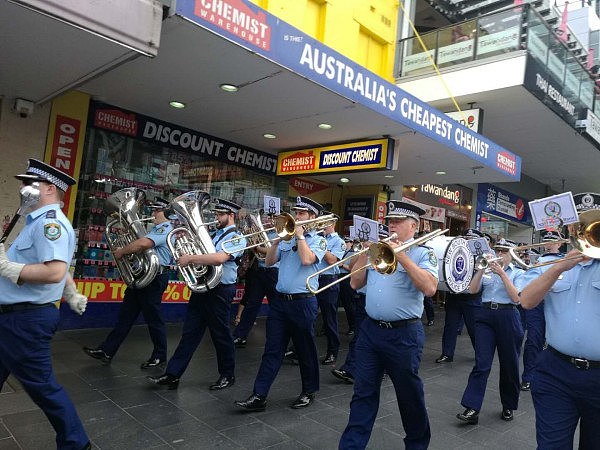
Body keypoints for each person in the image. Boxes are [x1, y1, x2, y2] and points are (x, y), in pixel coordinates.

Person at [0, 159, 90, 449]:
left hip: (25, 320)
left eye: (29, 183)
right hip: (13, 317)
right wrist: (71, 292)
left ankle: (76, 443)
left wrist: (6, 267)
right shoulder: (34, 222)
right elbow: (57, 271)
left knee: (42, 388)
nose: (23, 188)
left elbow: (53, 271)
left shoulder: (51, 224)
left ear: (50, 188)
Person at [339, 201, 439, 449]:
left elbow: (429, 288)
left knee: (409, 396)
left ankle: (417, 444)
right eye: (389, 221)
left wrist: (402, 255)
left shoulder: (423, 253)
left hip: (403, 335)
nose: (391, 225)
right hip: (371, 332)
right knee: (363, 392)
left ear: (413, 226)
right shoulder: (377, 249)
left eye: (397, 222)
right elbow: (354, 284)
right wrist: (364, 252)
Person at [519, 192, 600, 448]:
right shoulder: (552, 265)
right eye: (580, 225)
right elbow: (526, 301)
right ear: (571, 229)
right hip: (555, 371)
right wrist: (557, 268)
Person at [235, 196, 327, 411]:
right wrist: (276, 240)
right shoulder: (286, 239)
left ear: (312, 217)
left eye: (302, 213)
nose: (297, 216)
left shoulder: (318, 240)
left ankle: (309, 390)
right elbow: (268, 263)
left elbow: (306, 260)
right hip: (280, 303)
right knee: (272, 349)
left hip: (303, 302)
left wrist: (300, 236)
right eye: (296, 213)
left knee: (305, 350)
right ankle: (259, 395)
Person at [148, 198, 246, 390]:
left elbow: (219, 259)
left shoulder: (237, 237)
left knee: (221, 334)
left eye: (220, 214)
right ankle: (173, 373)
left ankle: (228, 374)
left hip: (220, 290)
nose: (216, 217)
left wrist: (191, 257)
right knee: (189, 333)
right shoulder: (214, 234)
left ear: (231, 216)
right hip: (203, 287)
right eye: (216, 214)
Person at [83, 197, 173, 368]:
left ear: (164, 213)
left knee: (154, 319)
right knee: (125, 317)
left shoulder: (165, 228)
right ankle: (107, 350)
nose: (153, 213)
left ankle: (160, 355)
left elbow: (144, 244)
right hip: (144, 276)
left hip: (154, 278)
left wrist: (122, 251)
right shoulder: (156, 228)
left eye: (156, 211)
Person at [457, 238, 524, 425]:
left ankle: (508, 405)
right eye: (498, 250)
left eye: (504, 251)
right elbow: (472, 290)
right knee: (481, 363)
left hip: (508, 316)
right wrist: (480, 269)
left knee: (509, 364)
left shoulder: (518, 273)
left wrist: (502, 274)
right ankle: (472, 407)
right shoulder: (487, 270)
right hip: (485, 315)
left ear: (513, 254)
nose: (500, 254)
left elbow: (516, 298)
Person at [331, 224, 389, 385]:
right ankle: (350, 369)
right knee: (359, 336)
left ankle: (382, 369)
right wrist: (364, 250)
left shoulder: (388, 256)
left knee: (381, 338)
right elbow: (351, 268)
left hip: (382, 302)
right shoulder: (369, 252)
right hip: (364, 300)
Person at [516, 230, 563, 392]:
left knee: (556, 341)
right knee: (533, 340)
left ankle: (555, 376)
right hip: (538, 304)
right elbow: (524, 287)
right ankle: (528, 376)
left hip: (558, 304)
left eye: (552, 241)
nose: (549, 245)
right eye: (546, 241)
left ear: (560, 243)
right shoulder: (537, 262)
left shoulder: (567, 260)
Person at [435, 228, 484, 364]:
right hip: (455, 296)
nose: (468, 241)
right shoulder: (456, 252)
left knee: (474, 329)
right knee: (450, 327)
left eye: (471, 239)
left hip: (471, 298)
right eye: (466, 238)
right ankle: (447, 353)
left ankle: (481, 354)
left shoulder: (481, 257)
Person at [232, 211, 279, 347]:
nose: (269, 221)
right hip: (260, 270)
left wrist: (257, 247)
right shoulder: (263, 232)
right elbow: (256, 250)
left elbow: (273, 252)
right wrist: (254, 247)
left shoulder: (281, 235)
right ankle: (240, 336)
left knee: (275, 307)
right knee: (252, 304)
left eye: (273, 218)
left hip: (273, 272)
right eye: (268, 218)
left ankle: (275, 338)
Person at [315, 212, 345, 365]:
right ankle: (296, 349)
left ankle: (332, 351)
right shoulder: (317, 237)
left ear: (331, 223)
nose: (320, 225)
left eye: (323, 222)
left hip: (329, 281)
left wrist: (320, 243)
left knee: (329, 318)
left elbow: (332, 260)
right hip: (314, 279)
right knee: (309, 317)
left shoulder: (339, 241)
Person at [337, 238, 358, 335]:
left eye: (347, 242)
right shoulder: (340, 251)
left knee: (348, 304)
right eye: (344, 242)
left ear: (351, 243)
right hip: (337, 277)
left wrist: (342, 265)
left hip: (346, 278)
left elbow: (353, 269)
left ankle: (353, 326)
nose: (345, 244)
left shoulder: (353, 253)